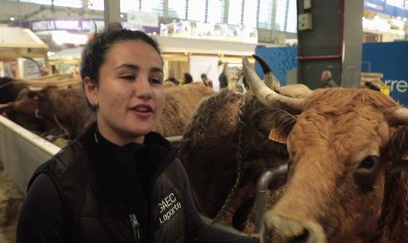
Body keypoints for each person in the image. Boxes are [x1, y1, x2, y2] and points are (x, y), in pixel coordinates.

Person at [16, 24, 259, 243]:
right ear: (92, 90)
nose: (145, 91)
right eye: (128, 76)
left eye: (155, 79)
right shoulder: (53, 191)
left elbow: (194, 230)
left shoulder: (168, 164)